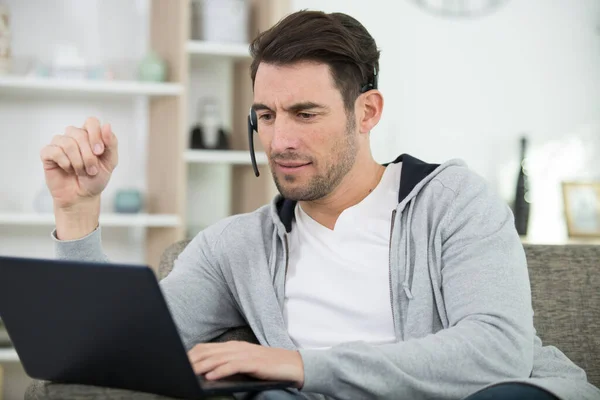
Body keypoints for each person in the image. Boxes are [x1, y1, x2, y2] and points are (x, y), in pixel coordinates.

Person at [39, 10, 599, 400]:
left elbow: (496, 352)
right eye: (265, 115)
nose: (279, 139)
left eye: (305, 114)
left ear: (367, 112)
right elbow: (112, 350)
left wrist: (303, 366)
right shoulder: (236, 246)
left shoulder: (453, 201)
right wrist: (77, 212)